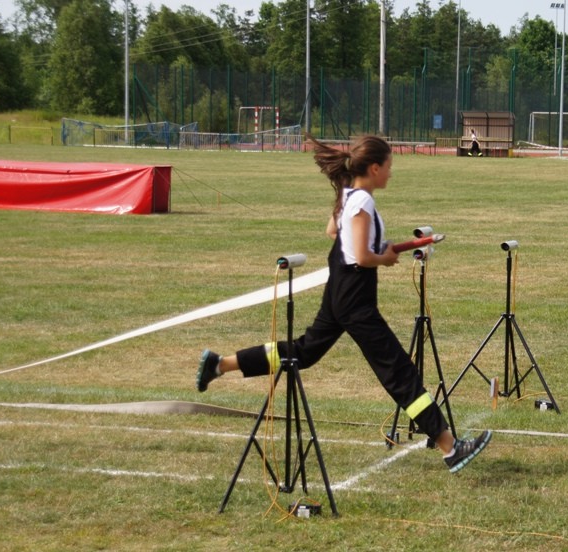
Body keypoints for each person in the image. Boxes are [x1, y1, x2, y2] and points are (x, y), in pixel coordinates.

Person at [196, 135, 492, 473]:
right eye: (390, 167)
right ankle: (450, 448)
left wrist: (381, 246)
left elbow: (332, 231)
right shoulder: (362, 201)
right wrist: (383, 258)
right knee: (397, 370)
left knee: (303, 352)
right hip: (355, 297)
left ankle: (220, 364)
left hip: (341, 290)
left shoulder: (349, 195)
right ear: (375, 168)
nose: (391, 174)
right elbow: (363, 257)